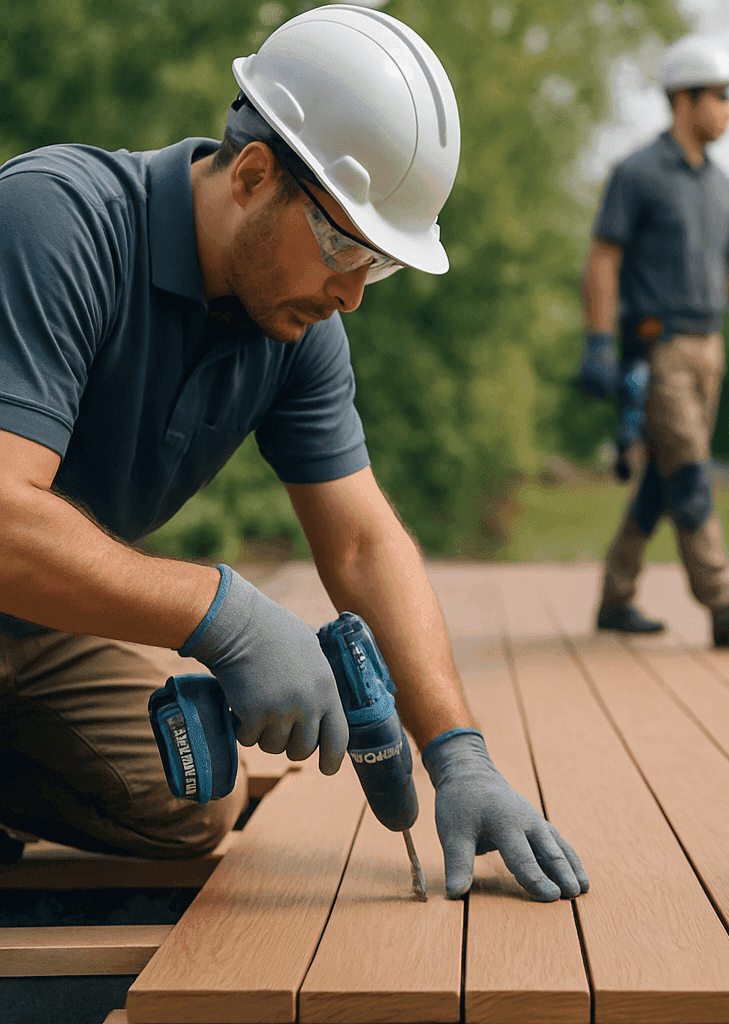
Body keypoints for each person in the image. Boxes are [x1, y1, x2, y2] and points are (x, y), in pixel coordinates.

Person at [0, 4, 587, 903]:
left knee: (192, 796)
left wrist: (458, 754)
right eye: (345, 245)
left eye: (379, 264)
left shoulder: (294, 327)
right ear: (252, 174)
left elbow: (361, 543)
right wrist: (221, 613)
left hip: (26, 629)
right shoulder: (57, 222)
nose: (354, 293)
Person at [578, 35, 729, 647]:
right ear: (684, 98)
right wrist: (599, 340)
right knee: (692, 474)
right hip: (658, 350)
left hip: (711, 349)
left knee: (662, 481)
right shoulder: (638, 174)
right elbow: (603, 258)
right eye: (721, 96)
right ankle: (722, 602)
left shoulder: (725, 188)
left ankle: (615, 599)